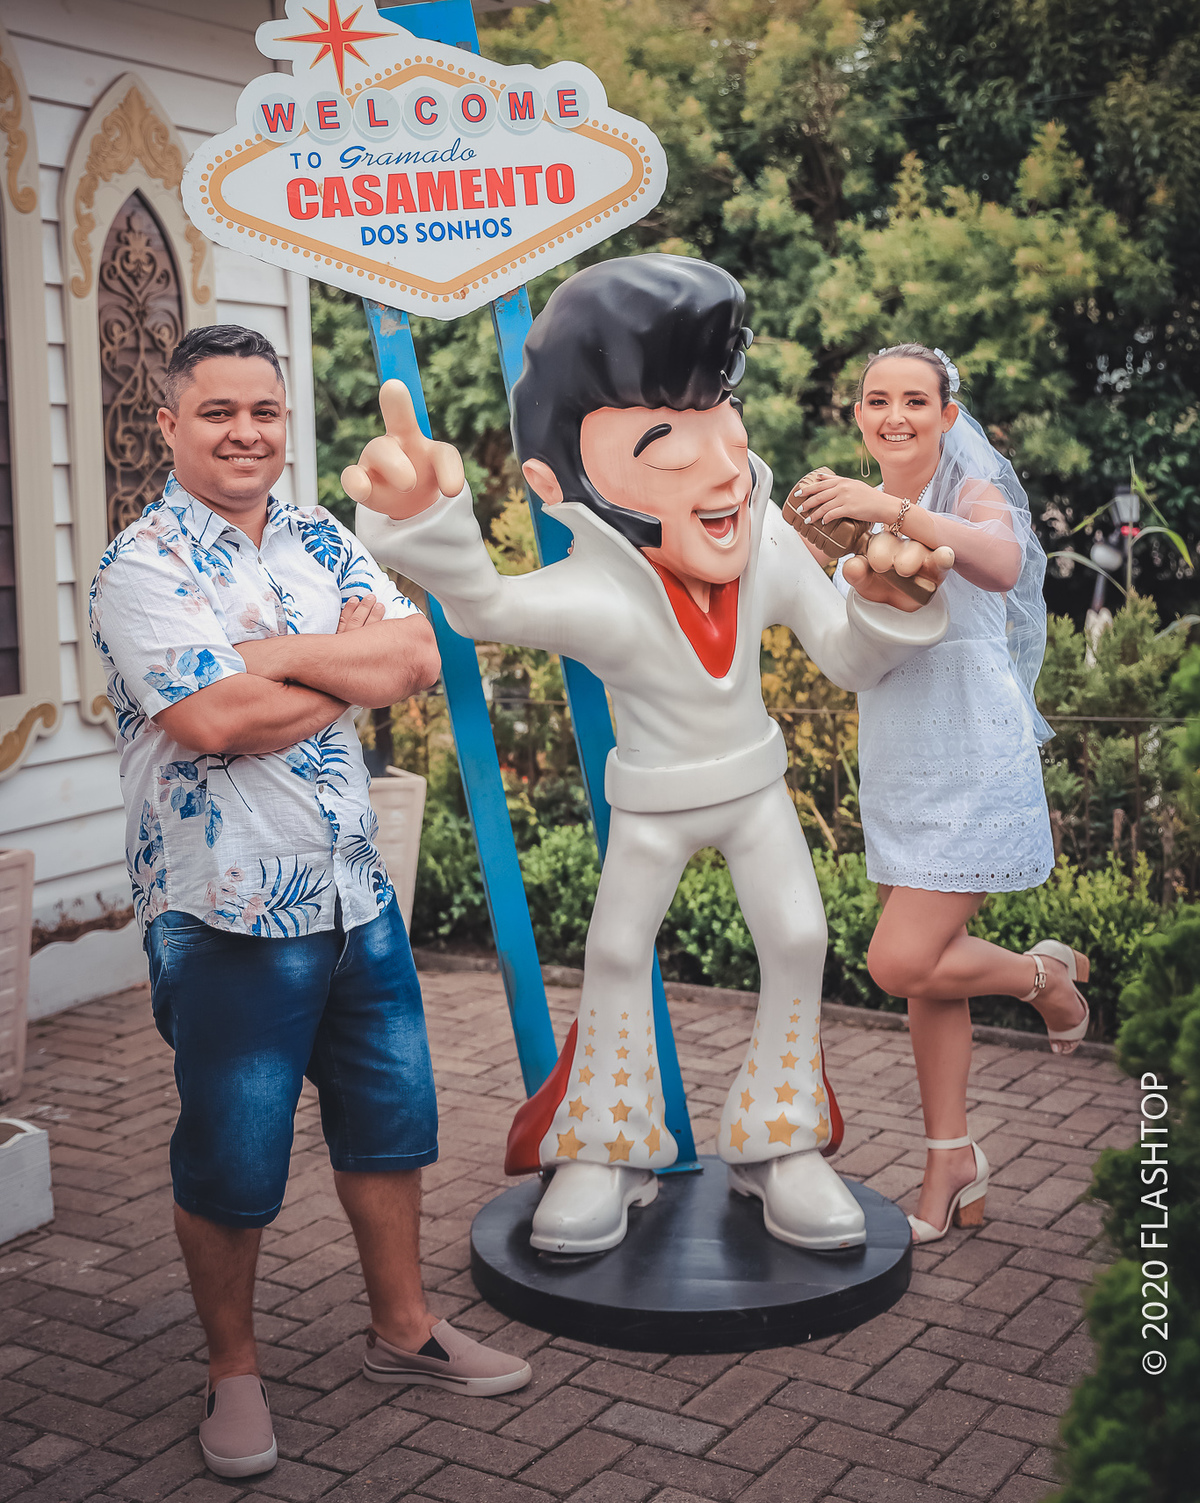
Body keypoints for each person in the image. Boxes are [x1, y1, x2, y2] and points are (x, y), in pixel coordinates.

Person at [345, 254, 952, 1260]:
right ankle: (609, 1149)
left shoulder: (764, 543)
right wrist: (425, 520)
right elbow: (487, 604)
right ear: (558, 480)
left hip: (754, 786)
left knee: (799, 937)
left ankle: (781, 1144)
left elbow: (845, 654)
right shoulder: (598, 589)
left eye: (726, 427)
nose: (718, 465)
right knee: (620, 955)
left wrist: (893, 606)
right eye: (667, 443)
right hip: (656, 803)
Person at [89, 324, 533, 1482]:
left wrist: (268, 654)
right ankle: (232, 1368)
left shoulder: (319, 531)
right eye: (220, 411)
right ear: (169, 426)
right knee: (233, 1159)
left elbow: (418, 657)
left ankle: (403, 1329)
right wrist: (339, 666)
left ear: (287, 421)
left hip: (353, 891)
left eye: (265, 412)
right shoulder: (142, 566)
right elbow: (212, 724)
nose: (246, 432)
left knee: (388, 1125)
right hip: (228, 908)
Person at [792, 343, 1089, 1245]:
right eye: (877, 399)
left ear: (948, 414)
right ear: (857, 414)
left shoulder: (972, 493)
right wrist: (815, 537)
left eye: (915, 400)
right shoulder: (848, 510)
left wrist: (889, 508)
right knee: (928, 977)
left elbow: (1001, 564)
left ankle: (1046, 978)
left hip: (972, 750)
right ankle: (949, 1158)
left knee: (898, 959)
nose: (895, 415)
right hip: (896, 744)